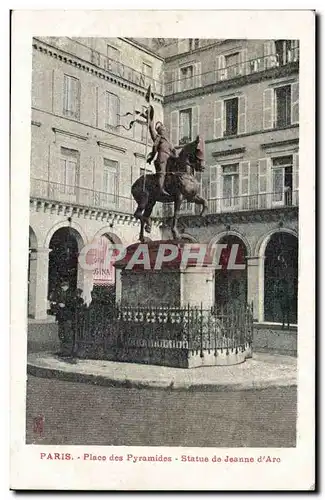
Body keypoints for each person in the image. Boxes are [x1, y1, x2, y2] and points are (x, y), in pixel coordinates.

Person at [146, 107, 177, 196]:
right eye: (161, 130)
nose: (163, 131)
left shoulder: (168, 140)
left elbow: (173, 150)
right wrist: (149, 119)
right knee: (162, 173)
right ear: (159, 131)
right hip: (162, 158)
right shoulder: (158, 138)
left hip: (170, 158)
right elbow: (151, 129)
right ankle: (160, 189)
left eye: (164, 130)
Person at [49, 280, 78, 356]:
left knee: (67, 334)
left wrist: (65, 305)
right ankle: (63, 350)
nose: (63, 288)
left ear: (67, 286)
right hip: (61, 317)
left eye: (64, 286)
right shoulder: (61, 293)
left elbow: (73, 304)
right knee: (62, 334)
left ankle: (67, 351)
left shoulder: (71, 294)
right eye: (62, 286)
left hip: (67, 317)